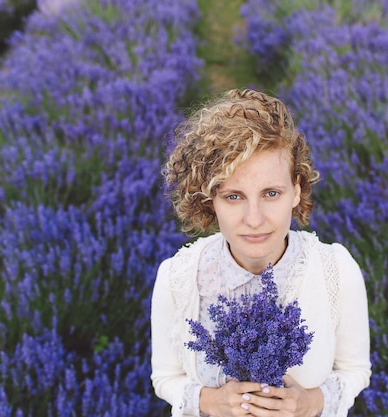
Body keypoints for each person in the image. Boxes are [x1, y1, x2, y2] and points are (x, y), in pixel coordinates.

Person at [151, 88, 371, 417]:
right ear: (209, 200)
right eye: (233, 196)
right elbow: (165, 377)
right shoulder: (178, 277)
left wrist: (313, 403)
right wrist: (209, 401)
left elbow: (355, 371)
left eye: (271, 193)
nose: (254, 220)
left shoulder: (336, 271)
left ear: (296, 190)